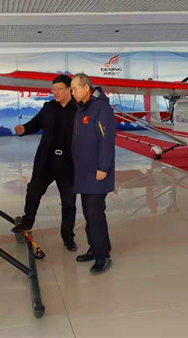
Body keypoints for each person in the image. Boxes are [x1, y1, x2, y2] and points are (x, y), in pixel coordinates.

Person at [11, 74, 78, 252]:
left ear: (69, 89)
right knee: (34, 191)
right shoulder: (49, 107)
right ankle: (27, 222)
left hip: (69, 163)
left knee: (69, 202)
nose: (55, 92)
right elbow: (36, 123)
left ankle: (68, 237)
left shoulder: (79, 109)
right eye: (53, 90)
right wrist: (24, 128)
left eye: (59, 89)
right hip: (46, 160)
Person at [70, 73, 115, 274]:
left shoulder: (101, 108)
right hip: (84, 171)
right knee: (88, 213)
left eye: (75, 88)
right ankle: (94, 247)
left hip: (97, 172)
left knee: (95, 213)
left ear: (86, 88)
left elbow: (107, 140)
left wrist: (103, 167)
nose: (72, 92)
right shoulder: (83, 108)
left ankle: (103, 254)